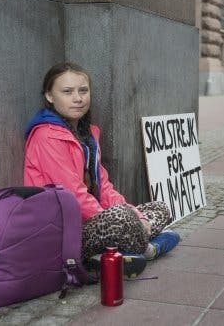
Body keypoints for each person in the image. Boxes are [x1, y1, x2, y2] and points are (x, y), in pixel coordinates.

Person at [24, 62, 180, 273]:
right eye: (67, 92)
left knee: (160, 208)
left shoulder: (87, 135)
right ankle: (149, 249)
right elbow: (73, 196)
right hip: (60, 232)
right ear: (50, 96)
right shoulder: (47, 136)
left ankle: (117, 252)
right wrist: (119, 218)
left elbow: (104, 187)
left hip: (91, 220)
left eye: (83, 90)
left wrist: (137, 217)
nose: (78, 98)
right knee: (122, 219)